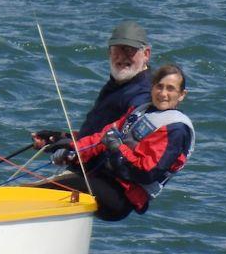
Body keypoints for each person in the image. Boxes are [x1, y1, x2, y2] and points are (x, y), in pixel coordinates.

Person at [43, 64, 195, 221]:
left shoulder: (176, 129)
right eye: (159, 86)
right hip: (105, 179)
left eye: (170, 89)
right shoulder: (141, 111)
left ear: (182, 94)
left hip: (123, 196)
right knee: (54, 185)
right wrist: (71, 150)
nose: (163, 93)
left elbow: (146, 172)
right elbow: (103, 137)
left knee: (54, 188)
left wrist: (118, 148)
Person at [32, 21, 153, 174]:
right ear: (109, 53)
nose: (122, 57)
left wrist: (71, 148)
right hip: (87, 170)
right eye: (116, 50)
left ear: (146, 54)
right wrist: (60, 139)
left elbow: (114, 136)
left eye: (129, 50)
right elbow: (97, 133)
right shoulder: (118, 85)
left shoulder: (143, 94)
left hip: (107, 179)